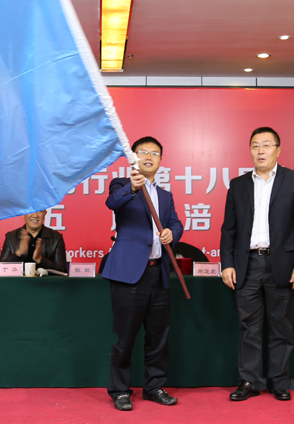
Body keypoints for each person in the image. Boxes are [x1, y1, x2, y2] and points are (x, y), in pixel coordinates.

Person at [220, 127, 294, 402]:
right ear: (250, 150)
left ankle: (280, 382)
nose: (260, 151)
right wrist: (227, 264)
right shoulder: (238, 185)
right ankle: (249, 381)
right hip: (247, 264)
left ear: (278, 150)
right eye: (255, 145)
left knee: (280, 326)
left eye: (266, 145)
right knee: (249, 327)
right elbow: (229, 229)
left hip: (282, 263)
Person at [101, 136, 184, 411]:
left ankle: (154, 387)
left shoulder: (165, 196)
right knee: (124, 337)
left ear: (161, 160)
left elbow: (176, 224)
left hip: (158, 274)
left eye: (155, 153)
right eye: (143, 152)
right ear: (134, 157)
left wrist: (173, 233)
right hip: (128, 275)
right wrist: (133, 188)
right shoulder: (122, 185)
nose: (149, 157)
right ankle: (120, 390)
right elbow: (112, 203)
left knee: (158, 337)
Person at [0, 209, 67, 273]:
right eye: (31, 210)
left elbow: (62, 271)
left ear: (45, 213)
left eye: (40, 211)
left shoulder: (56, 238)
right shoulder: (11, 237)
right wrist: (18, 254)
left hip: (44, 282)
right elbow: (0, 270)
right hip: (18, 281)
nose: (35, 215)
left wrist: (40, 259)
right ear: (23, 213)